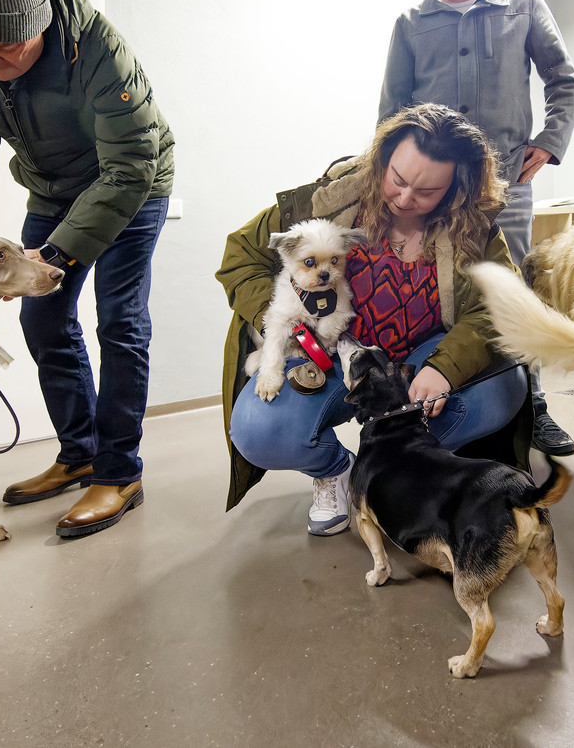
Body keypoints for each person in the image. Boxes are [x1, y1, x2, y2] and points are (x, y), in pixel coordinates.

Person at [0, 0, 176, 538]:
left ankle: (118, 472)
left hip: (132, 187)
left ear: (40, 25)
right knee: (42, 321)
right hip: (55, 188)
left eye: (5, 48)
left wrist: (55, 256)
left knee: (119, 322)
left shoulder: (99, 50)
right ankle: (79, 451)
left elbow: (130, 166)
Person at [217, 104, 531, 534]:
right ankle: (337, 472)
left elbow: (499, 305)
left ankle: (401, 467)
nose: (404, 199)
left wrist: (444, 368)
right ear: (382, 159)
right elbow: (239, 257)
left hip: (419, 361)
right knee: (256, 429)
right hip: (326, 356)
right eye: (397, 180)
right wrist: (284, 317)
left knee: (502, 387)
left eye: (426, 191)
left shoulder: (474, 225)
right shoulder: (327, 200)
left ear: (456, 187)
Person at [380, 0, 574, 458]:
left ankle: (532, 406)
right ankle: (441, 396)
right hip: (434, 194)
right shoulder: (411, 24)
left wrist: (549, 141)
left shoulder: (523, 5)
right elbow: (390, 117)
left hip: (508, 189)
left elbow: (565, 82)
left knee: (514, 292)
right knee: (441, 292)